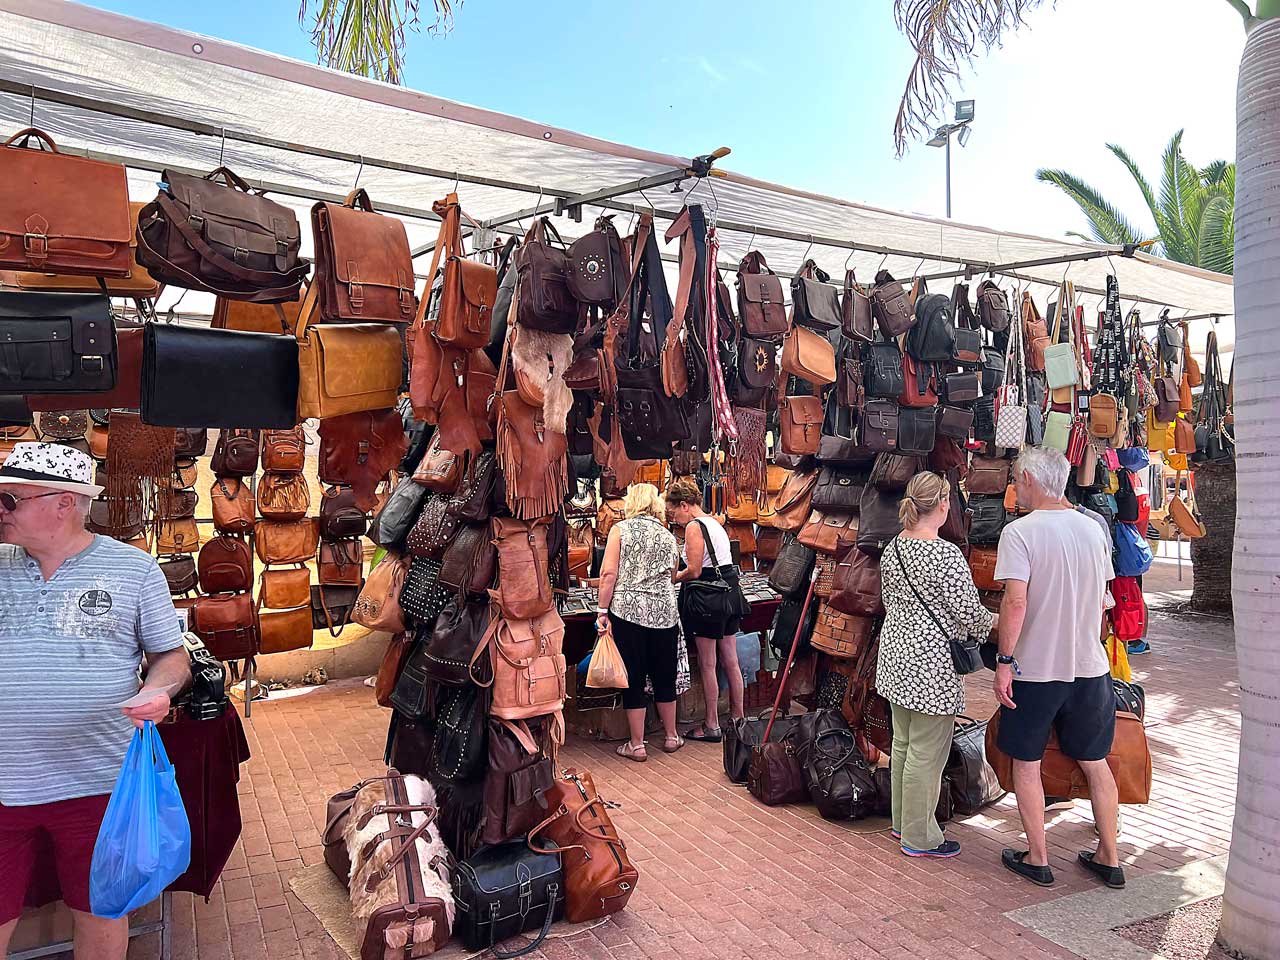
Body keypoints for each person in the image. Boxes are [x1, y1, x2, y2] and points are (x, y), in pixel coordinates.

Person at [0, 443, 191, 959]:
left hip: (98, 780)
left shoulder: (135, 570)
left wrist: (158, 688)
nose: (1, 510)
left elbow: (171, 656)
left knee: (101, 909)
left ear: (64, 503)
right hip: (3, 782)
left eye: (11, 499)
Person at [994, 447, 1125, 889]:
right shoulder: (1093, 528)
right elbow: (1104, 599)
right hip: (1089, 665)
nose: (1015, 488)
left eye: (1016, 479)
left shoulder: (1020, 532)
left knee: (1026, 762)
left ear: (1031, 479)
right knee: (1095, 761)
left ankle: (1038, 856)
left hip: (1036, 668)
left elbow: (1015, 601)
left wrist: (1004, 661)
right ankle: (1109, 855)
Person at [877, 472, 996, 859]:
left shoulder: (894, 547)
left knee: (903, 744)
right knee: (927, 752)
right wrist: (996, 622)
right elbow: (970, 614)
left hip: (895, 655)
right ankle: (920, 836)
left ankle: (902, 821)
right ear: (943, 504)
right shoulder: (944, 555)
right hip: (931, 665)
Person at [595, 483, 683, 760]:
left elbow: (608, 574)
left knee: (633, 676)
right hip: (664, 613)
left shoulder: (620, 530)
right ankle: (671, 736)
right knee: (664, 675)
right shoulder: (667, 535)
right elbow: (672, 575)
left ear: (632, 503)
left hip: (628, 612)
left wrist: (602, 610)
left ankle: (637, 744)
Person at [665, 477, 749, 743]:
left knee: (708, 663)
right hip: (729, 591)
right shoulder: (715, 522)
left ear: (685, 505)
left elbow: (694, 570)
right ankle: (738, 719)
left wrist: (673, 578)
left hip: (708, 597)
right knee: (731, 660)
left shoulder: (694, 526)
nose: (675, 520)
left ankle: (712, 724)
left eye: (674, 513)